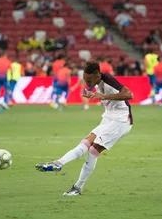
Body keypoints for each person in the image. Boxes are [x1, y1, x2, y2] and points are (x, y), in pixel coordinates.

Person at [35, 60, 134, 196]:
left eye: (89, 79)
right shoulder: (97, 82)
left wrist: (103, 96)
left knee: (93, 150)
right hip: (108, 118)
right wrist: (96, 96)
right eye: (85, 79)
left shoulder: (109, 80)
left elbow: (129, 94)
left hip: (121, 120)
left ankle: (77, 187)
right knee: (86, 142)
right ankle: (58, 163)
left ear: (97, 75)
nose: (86, 82)